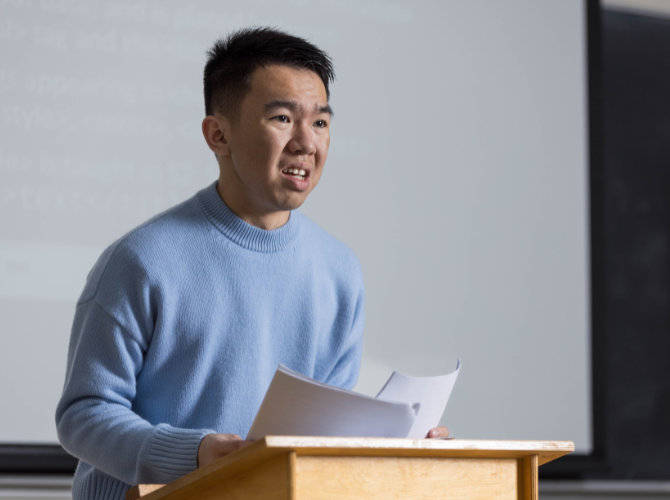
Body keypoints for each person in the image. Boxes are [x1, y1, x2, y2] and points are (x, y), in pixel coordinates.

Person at [55, 27, 448, 500]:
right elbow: (83, 415)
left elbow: (321, 435)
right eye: (283, 118)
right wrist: (194, 453)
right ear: (218, 135)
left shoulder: (339, 271)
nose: (306, 143)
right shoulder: (141, 260)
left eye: (320, 122)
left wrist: (395, 445)